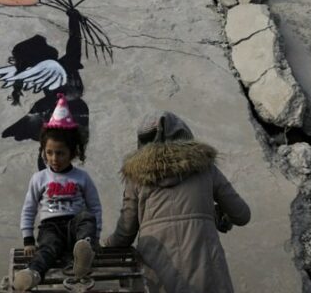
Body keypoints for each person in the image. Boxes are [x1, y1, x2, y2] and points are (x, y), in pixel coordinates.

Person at [104, 111, 251, 293]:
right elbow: (242, 215)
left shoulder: (136, 178)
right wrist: (215, 215)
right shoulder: (206, 169)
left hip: (158, 279)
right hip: (208, 276)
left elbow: (125, 233)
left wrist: (105, 245)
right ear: (185, 136)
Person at [14, 94, 102, 291]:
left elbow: (95, 207)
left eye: (60, 153)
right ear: (43, 151)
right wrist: (28, 239)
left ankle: (84, 253)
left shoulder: (82, 177)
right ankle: (33, 273)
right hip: (50, 228)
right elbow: (29, 209)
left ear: (73, 152)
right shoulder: (39, 179)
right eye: (49, 152)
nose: (54, 158)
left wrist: (95, 237)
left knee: (87, 217)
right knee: (47, 249)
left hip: (75, 227)